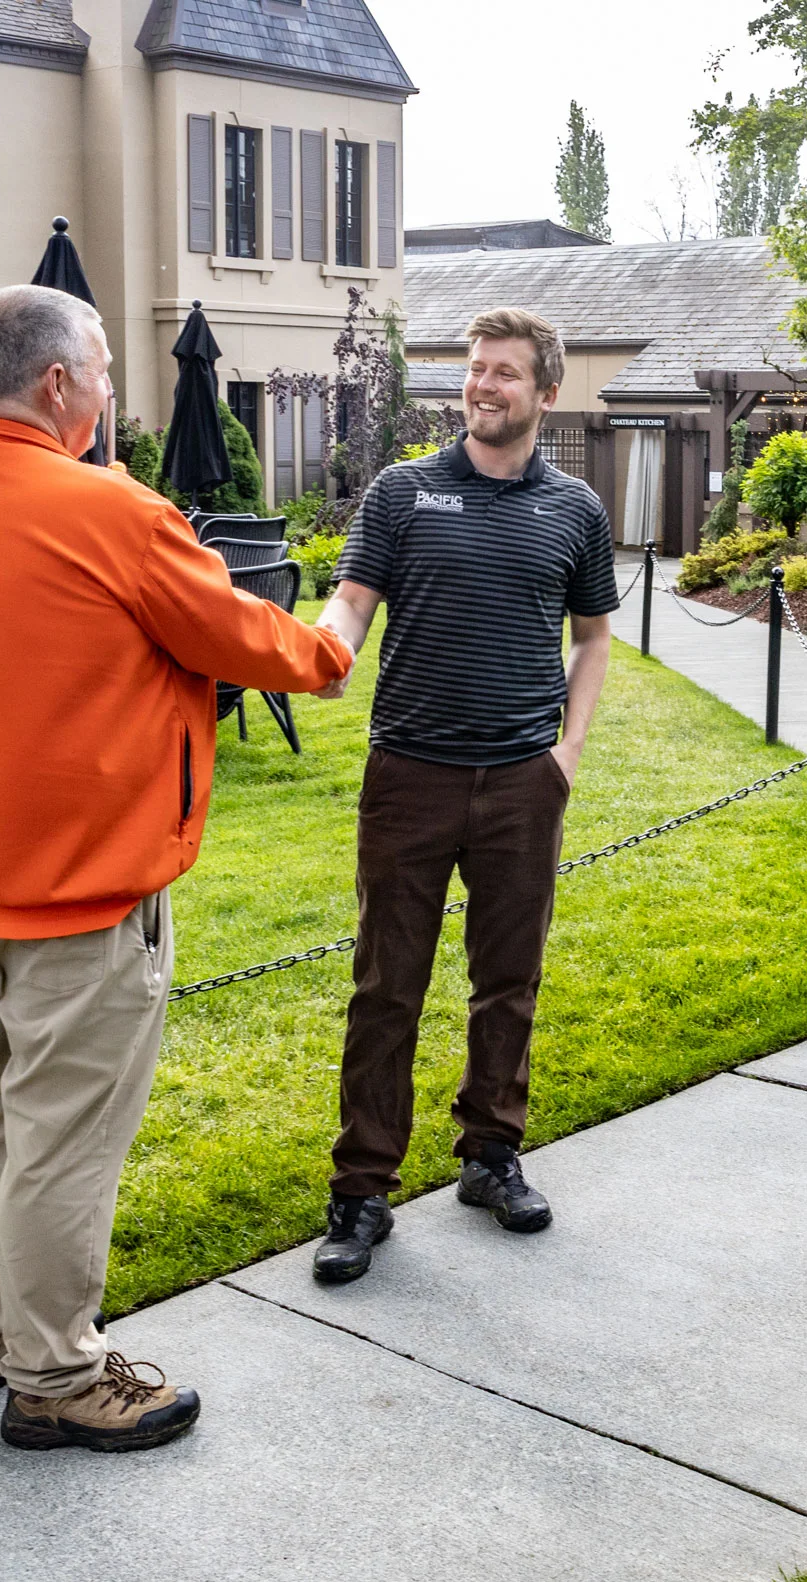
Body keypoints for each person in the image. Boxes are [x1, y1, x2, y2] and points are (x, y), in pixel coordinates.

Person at [0, 284, 354, 1451]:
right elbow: (236, 633)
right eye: (107, 377)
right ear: (60, 386)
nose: (116, 395)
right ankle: (56, 1373)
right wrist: (328, 651)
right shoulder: (110, 512)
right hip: (84, 899)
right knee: (62, 1141)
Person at [310, 306, 618, 1284]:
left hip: (522, 782)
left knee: (507, 981)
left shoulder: (576, 509)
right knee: (385, 985)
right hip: (409, 775)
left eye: (504, 374)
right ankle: (362, 1190)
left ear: (545, 392)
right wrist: (328, 650)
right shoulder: (404, 493)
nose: (483, 386)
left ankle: (491, 1154)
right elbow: (351, 597)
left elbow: (595, 637)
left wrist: (566, 750)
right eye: (476, 370)